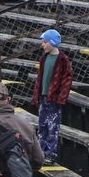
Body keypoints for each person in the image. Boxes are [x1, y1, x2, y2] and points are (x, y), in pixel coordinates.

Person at [33, 28, 72, 163]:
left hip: (54, 99)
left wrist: (61, 97)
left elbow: (66, 80)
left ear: (52, 42)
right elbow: (40, 78)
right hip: (44, 97)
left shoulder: (62, 59)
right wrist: (36, 95)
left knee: (52, 127)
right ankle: (41, 152)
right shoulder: (44, 58)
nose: (42, 45)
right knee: (42, 124)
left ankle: (50, 154)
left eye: (44, 42)